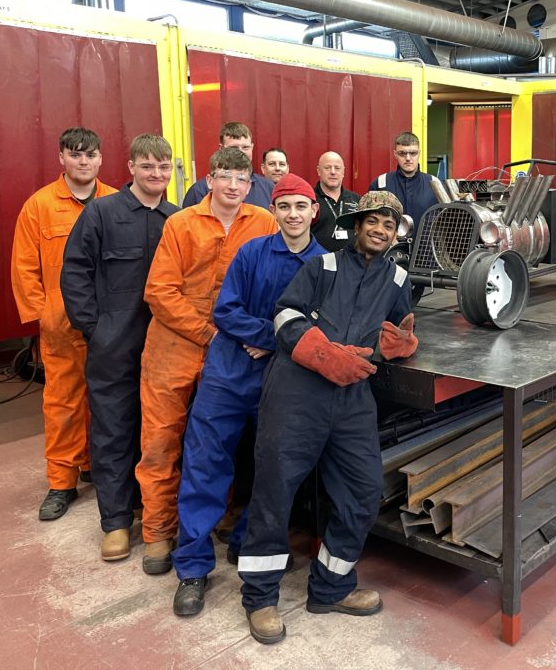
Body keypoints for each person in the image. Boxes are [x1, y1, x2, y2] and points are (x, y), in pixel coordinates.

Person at [237, 191, 418, 645]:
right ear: (357, 226)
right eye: (373, 221)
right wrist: (321, 353)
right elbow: (284, 315)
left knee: (363, 489)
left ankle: (331, 588)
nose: (380, 230)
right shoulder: (322, 266)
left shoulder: (397, 278)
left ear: (396, 235)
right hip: (298, 389)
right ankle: (260, 598)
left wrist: (403, 343)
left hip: (352, 396)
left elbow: (403, 326)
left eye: (389, 225)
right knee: (275, 491)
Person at [170, 174, 325, 616]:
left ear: (314, 211)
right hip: (227, 373)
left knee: (268, 468)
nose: (293, 214)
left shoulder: (325, 266)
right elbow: (224, 310)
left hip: (280, 381)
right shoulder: (251, 253)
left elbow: (322, 327)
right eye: (285, 206)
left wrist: (274, 341)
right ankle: (193, 567)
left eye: (301, 206)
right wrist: (267, 334)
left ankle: (244, 544)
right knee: (205, 465)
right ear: (273, 211)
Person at [136, 147, 276, 573]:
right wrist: (210, 332)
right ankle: (159, 531)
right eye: (225, 176)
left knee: (224, 445)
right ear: (209, 179)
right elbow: (159, 291)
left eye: (241, 179)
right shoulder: (180, 224)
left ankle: (219, 519)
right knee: (161, 440)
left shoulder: (264, 223)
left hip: (235, 357)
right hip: (174, 348)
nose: (232, 186)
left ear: (251, 186)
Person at [61, 134, 178, 559]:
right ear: (130, 167)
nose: (156, 175)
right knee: (113, 429)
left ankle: (155, 511)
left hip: (167, 348)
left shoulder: (177, 218)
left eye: (163, 167)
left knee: (160, 432)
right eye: (147, 166)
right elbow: (74, 272)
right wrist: (94, 329)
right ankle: (115, 521)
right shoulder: (101, 213)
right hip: (114, 344)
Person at [11, 127, 118, 521]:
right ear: (61, 158)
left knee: (107, 400)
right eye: (75, 155)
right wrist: (45, 314)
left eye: (90, 154)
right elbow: (24, 267)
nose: (83, 161)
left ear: (101, 159)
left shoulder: (115, 203)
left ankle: (94, 463)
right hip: (62, 328)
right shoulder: (39, 206)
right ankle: (61, 481)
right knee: (63, 403)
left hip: (110, 325)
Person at [182, 122, 275, 209]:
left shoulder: (268, 188)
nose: (240, 152)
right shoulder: (198, 191)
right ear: (221, 148)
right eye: (234, 148)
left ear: (252, 147)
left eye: (245, 147)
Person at [369, 131, 435, 235]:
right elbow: (370, 221)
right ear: (395, 154)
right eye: (402, 153)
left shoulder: (434, 185)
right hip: (389, 250)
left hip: (425, 249)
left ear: (419, 153)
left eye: (413, 153)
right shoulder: (380, 184)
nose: (408, 158)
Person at [311, 150, 360, 252]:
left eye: (337, 168)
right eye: (327, 168)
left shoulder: (357, 200)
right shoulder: (309, 199)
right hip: (319, 262)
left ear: (343, 172)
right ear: (319, 171)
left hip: (352, 263)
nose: (333, 172)